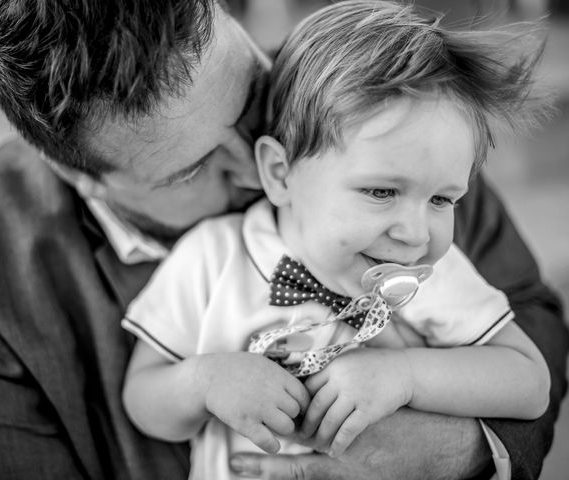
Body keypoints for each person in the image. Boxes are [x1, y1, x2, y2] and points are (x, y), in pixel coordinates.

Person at [0, 0, 566, 479]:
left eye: (253, 93)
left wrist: (454, 451)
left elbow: (531, 321)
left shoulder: (378, 112)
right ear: (78, 176)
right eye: (192, 168)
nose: (259, 161)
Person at [119, 2, 552, 479]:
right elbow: (143, 399)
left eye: (442, 200)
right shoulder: (212, 257)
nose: (415, 233)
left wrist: (405, 375)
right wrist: (202, 382)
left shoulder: (425, 277)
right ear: (281, 174)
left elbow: (529, 382)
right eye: (381, 192)